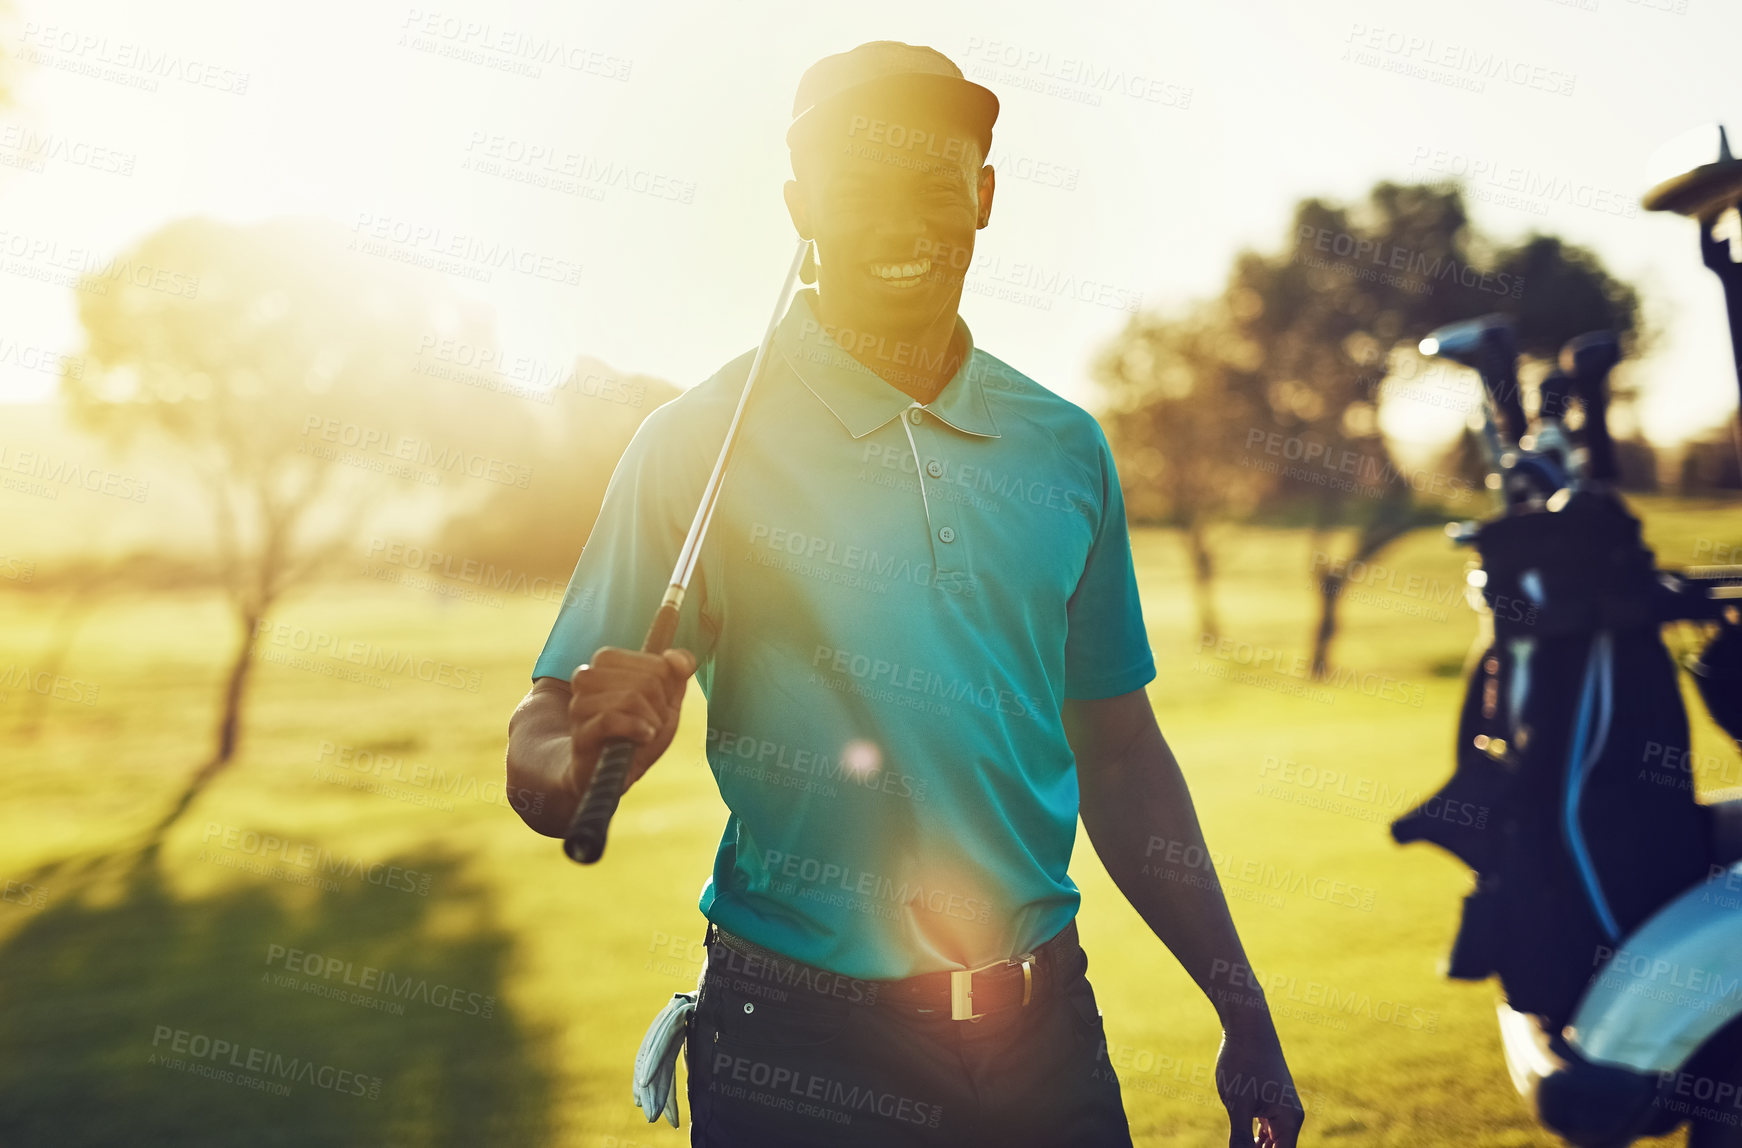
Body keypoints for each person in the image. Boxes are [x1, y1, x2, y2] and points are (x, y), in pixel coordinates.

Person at [505, 39, 1305, 1148]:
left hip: (1043, 1034)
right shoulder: (694, 446)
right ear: (799, 208)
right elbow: (545, 739)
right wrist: (580, 758)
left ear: (982, 197)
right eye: (856, 187)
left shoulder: (1064, 447)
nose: (900, 222)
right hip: (796, 1045)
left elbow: (1118, 749)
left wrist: (1241, 1007)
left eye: (933, 181)